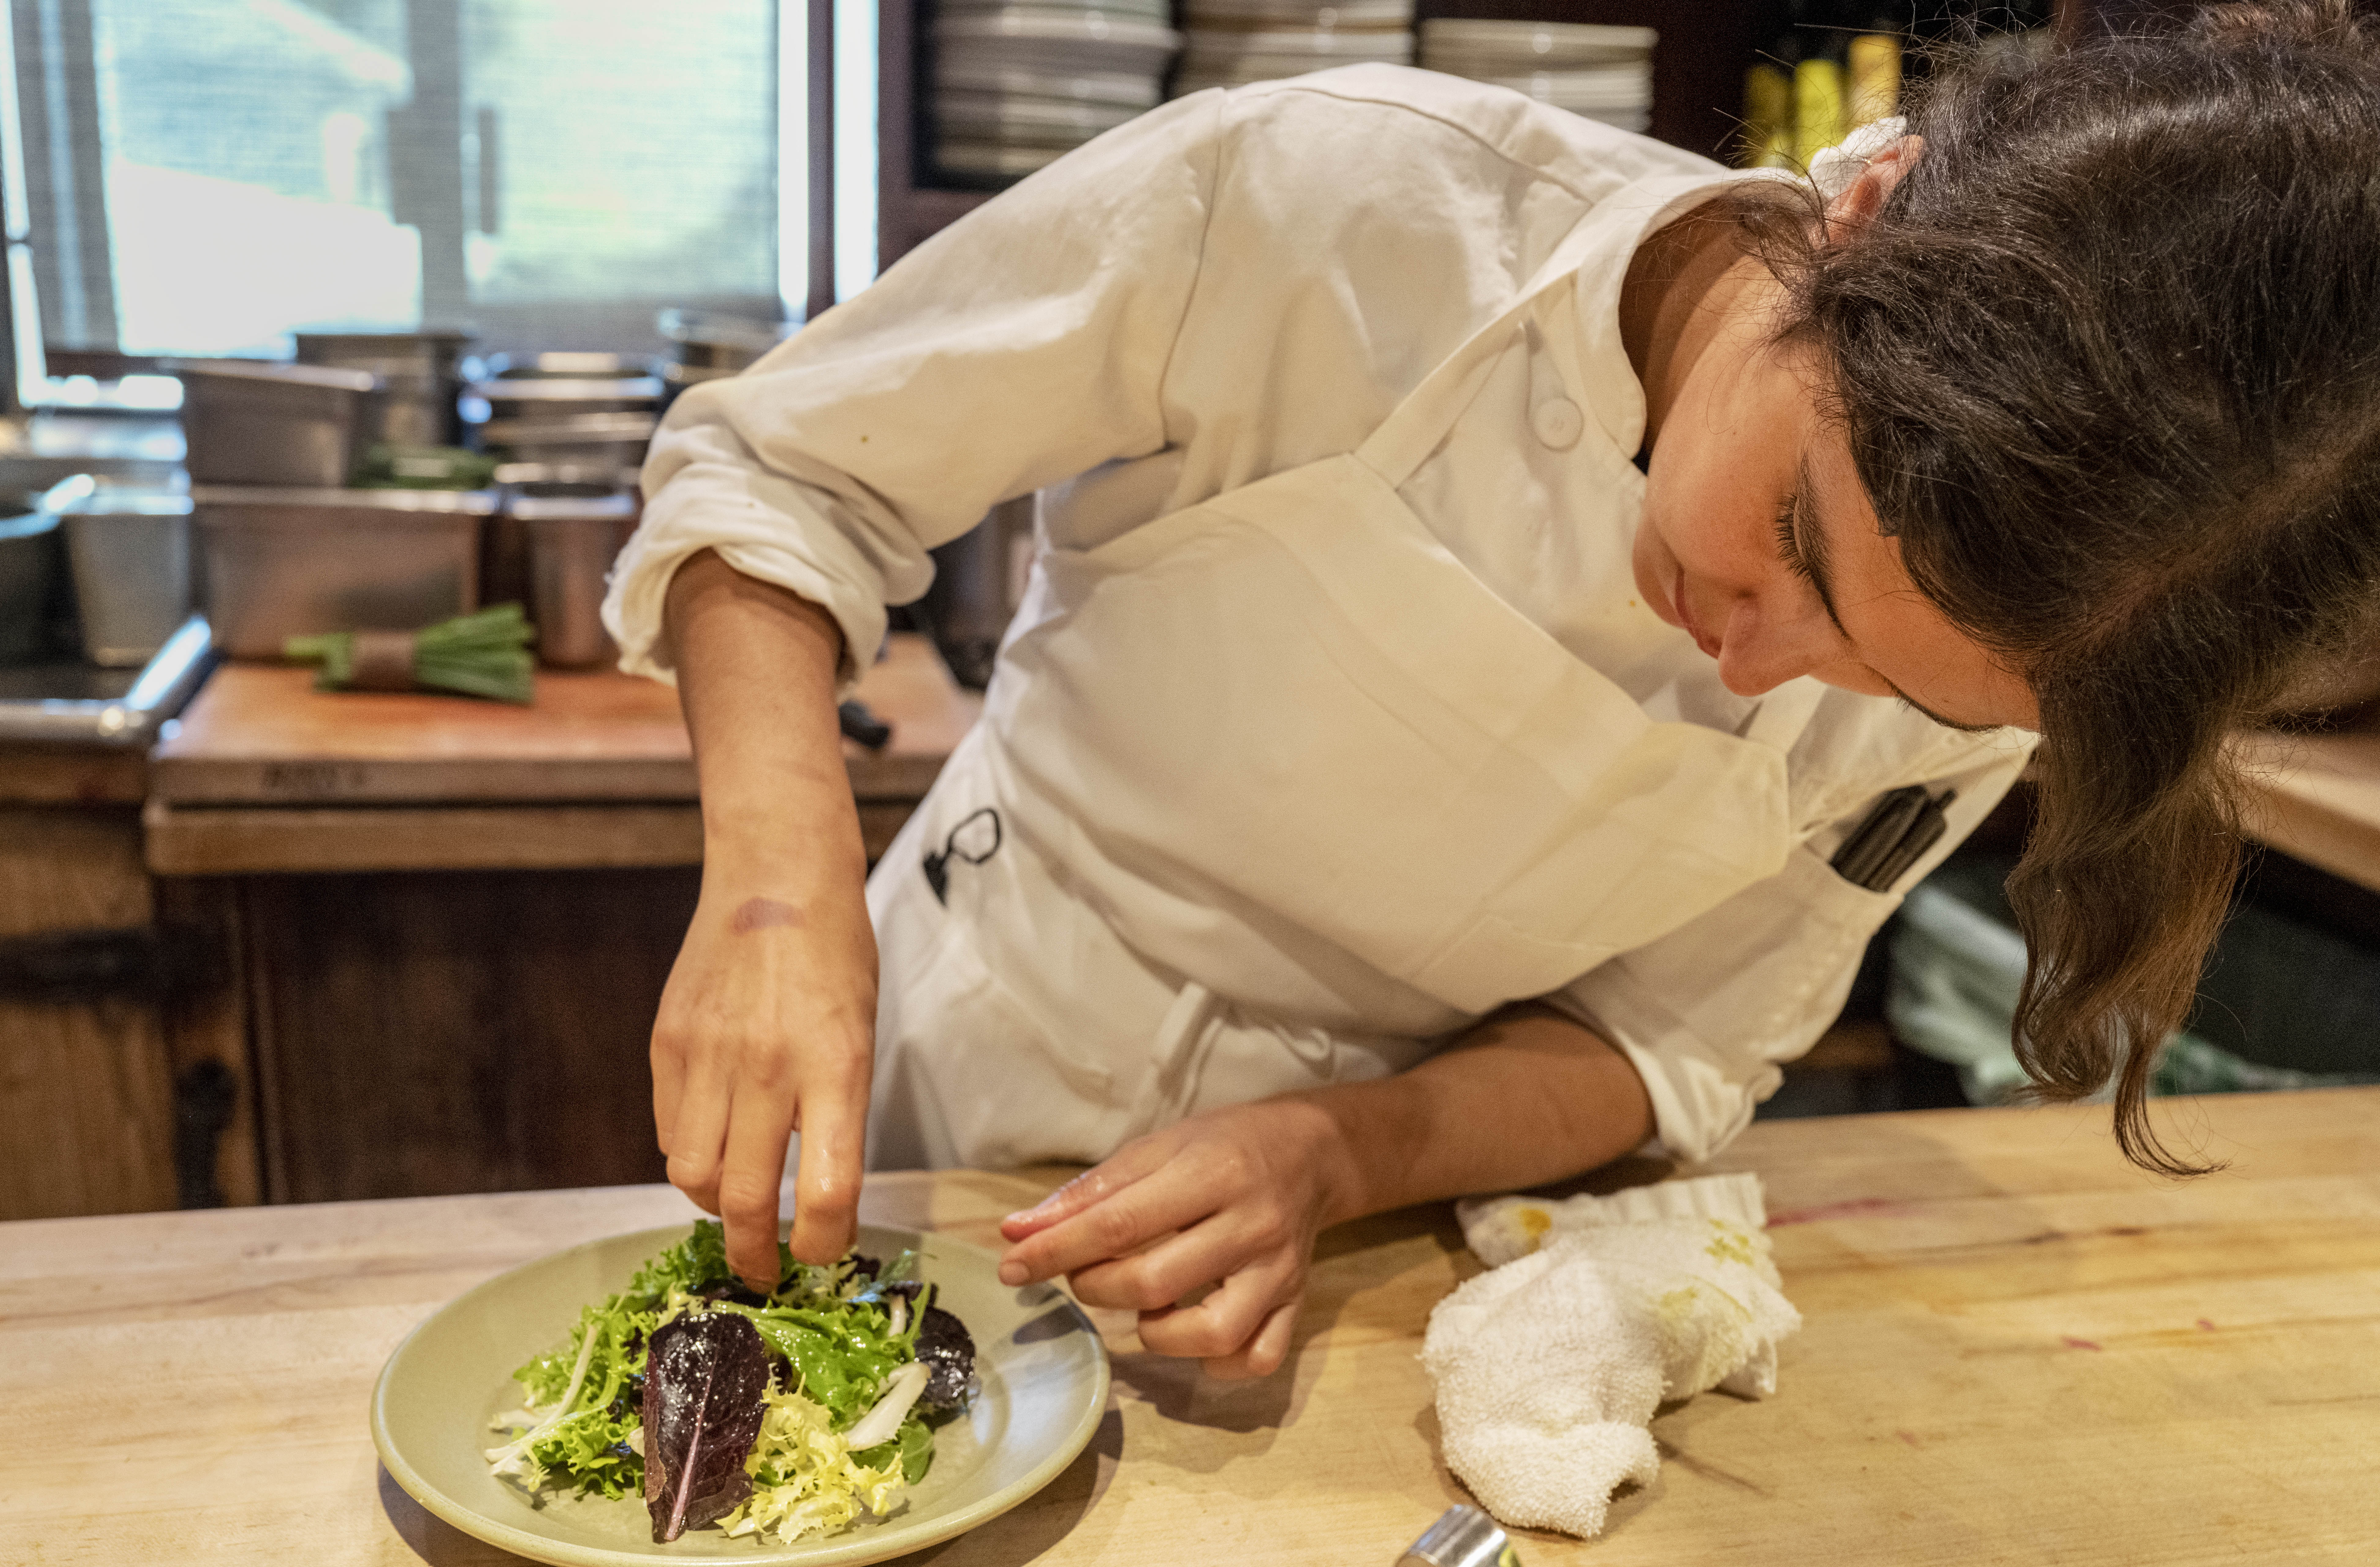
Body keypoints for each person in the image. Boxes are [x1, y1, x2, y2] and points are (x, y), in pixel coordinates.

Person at [606, 1, 2380, 1377]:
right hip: (940, 1073)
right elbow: (783, 478)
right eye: (1796, 544)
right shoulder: (1337, 206)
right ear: (1864, 209)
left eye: (1903, 687)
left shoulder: (2043, 644)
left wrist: (1333, 1152)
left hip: (1375, 1269)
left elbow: (1674, 1033)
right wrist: (776, 892)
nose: (1767, 665)